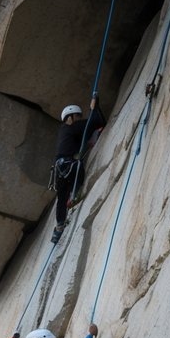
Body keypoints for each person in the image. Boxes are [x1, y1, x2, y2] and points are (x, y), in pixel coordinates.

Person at [50, 94, 107, 242]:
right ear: (71, 117)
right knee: (77, 174)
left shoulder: (64, 131)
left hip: (59, 170)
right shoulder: (72, 127)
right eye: (78, 115)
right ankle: (75, 194)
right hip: (71, 166)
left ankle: (59, 228)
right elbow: (95, 122)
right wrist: (94, 106)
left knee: (61, 198)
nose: (79, 118)